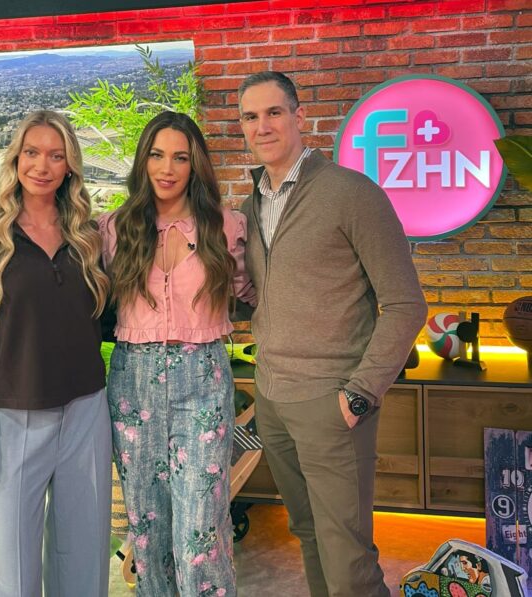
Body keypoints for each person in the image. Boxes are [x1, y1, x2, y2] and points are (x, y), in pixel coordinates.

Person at [238, 71, 428, 597]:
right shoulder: (251, 206)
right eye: (250, 117)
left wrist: (359, 394)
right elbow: (267, 297)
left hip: (331, 400)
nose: (262, 126)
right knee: (308, 534)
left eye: (274, 112)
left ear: (300, 116)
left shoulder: (351, 193)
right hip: (272, 398)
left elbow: (407, 304)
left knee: (348, 560)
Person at [0, 110, 112, 597]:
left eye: (56, 156)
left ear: (70, 166)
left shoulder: (89, 238)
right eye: (32, 153)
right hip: (14, 420)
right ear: (15, 158)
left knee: (84, 558)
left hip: (87, 412)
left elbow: (110, 319)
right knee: (16, 570)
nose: (42, 166)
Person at [98, 110, 256, 597]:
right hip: (133, 381)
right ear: (143, 161)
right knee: (147, 528)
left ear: (195, 165)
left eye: (181, 158)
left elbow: (252, 293)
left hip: (202, 376)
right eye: (157, 155)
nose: (167, 168)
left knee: (200, 531)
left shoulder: (225, 226)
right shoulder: (114, 228)